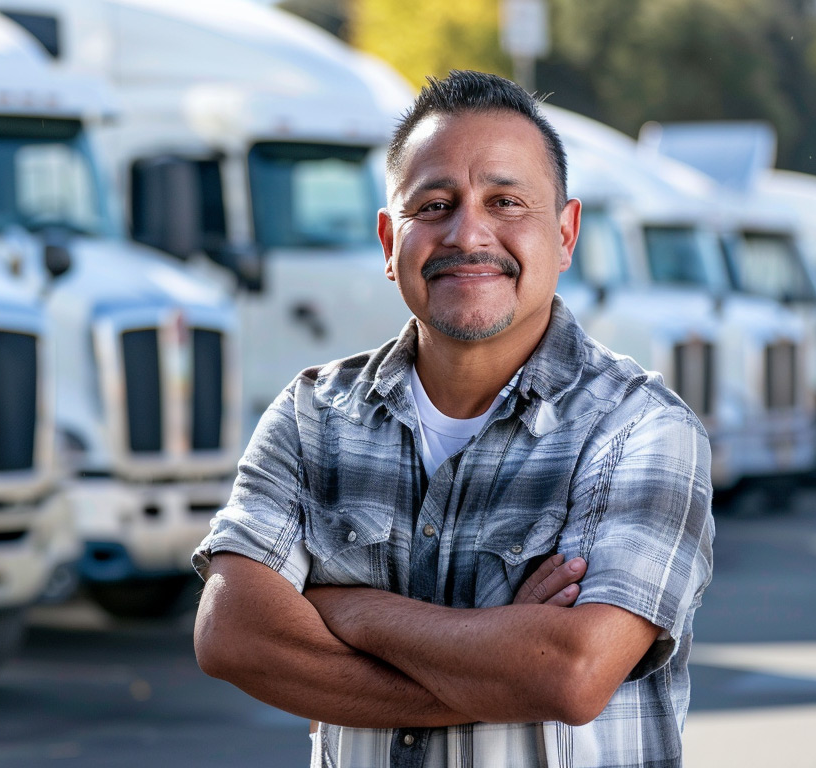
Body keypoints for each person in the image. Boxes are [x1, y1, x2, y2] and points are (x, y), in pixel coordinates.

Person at [192, 70, 714, 768]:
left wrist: (350, 609)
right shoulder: (312, 415)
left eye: (506, 201)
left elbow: (571, 673)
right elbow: (233, 636)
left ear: (565, 234)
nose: (469, 233)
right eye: (434, 205)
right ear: (389, 242)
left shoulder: (639, 429)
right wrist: (501, 656)